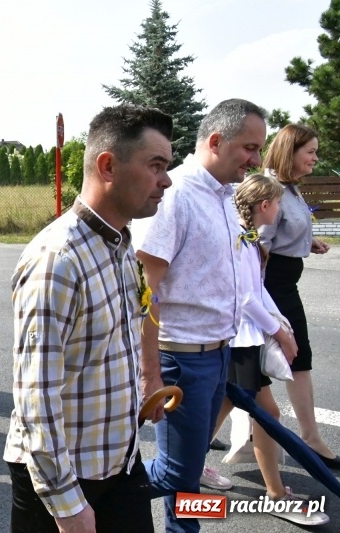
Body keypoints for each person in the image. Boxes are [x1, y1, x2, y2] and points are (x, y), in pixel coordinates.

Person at [4, 104, 173, 533]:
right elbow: (35, 398)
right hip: (63, 479)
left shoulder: (120, 244)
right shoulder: (57, 260)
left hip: (118, 459)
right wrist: (67, 507)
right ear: (108, 166)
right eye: (156, 165)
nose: (166, 180)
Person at [131, 98, 267, 533]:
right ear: (215, 141)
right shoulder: (176, 195)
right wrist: (150, 374)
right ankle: (84, 493)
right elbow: (143, 294)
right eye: (249, 147)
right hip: (181, 361)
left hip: (216, 355)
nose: (257, 159)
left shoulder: (225, 196)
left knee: (187, 479)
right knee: (177, 475)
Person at [212, 174, 328, 526]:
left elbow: (256, 291)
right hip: (241, 341)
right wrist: (281, 332)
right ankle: (275, 494)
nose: (280, 210)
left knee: (225, 405)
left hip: (242, 339)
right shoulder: (242, 241)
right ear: (265, 206)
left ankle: (183, 469)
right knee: (267, 415)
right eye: (278, 203)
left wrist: (280, 327)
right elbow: (246, 297)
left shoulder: (249, 241)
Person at [259, 124, 338, 469]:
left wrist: (309, 243)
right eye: (310, 152)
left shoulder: (289, 188)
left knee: (278, 362)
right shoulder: (270, 188)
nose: (315, 158)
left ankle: (307, 435)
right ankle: (309, 436)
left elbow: (287, 233)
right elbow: (258, 245)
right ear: (290, 152)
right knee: (258, 368)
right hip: (270, 286)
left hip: (284, 283)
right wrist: (256, 300)